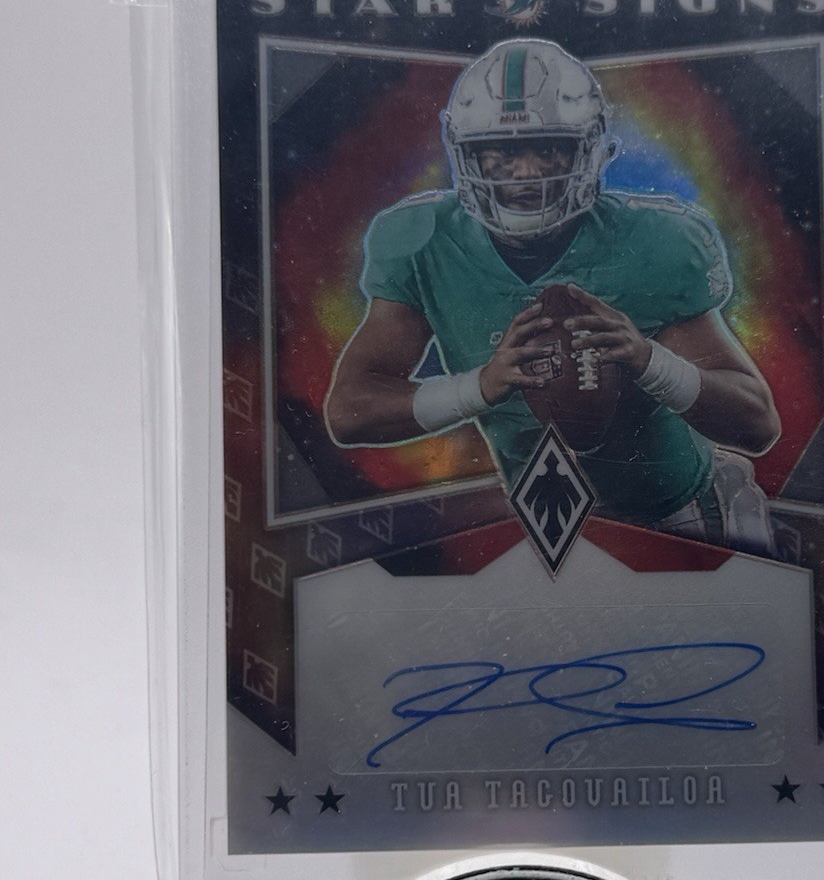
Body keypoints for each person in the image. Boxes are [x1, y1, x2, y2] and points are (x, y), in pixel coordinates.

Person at [325, 39, 780, 551]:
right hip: (543, 524)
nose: (525, 173)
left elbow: (756, 424)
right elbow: (350, 411)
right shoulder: (423, 239)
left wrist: (648, 360)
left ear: (593, 148)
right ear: (462, 152)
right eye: (501, 152)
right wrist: (480, 387)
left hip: (675, 517)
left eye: (548, 149)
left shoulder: (659, 243)